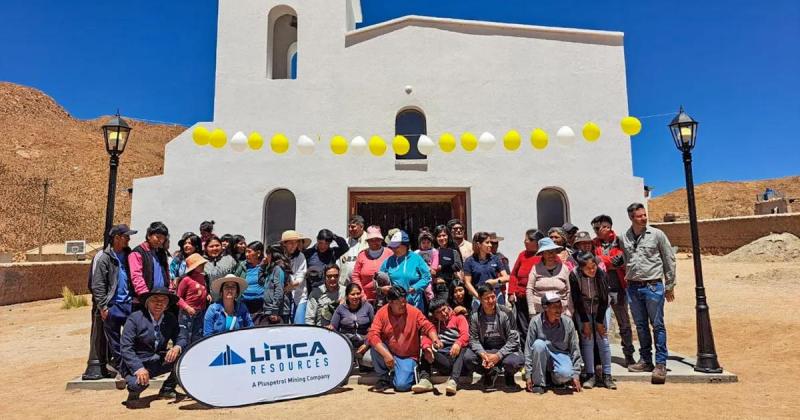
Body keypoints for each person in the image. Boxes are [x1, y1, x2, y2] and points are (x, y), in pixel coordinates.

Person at [617, 203, 676, 384]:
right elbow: (625, 260)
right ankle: (645, 360)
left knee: (657, 324)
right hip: (634, 287)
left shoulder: (657, 234)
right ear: (631, 218)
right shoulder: (624, 237)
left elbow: (669, 259)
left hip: (653, 286)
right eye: (639, 216)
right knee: (641, 326)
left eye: (644, 215)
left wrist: (670, 285)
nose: (644, 218)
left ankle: (660, 363)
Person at [366, 286, 442, 392]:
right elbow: (372, 335)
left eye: (404, 301)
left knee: (402, 386)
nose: (403, 304)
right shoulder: (381, 313)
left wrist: (435, 339)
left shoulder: (414, 311)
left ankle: (398, 375)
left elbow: (427, 326)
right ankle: (384, 377)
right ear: (390, 302)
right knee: (373, 350)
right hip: (389, 351)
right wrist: (386, 355)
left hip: (408, 356)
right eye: (399, 302)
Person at [120, 287, 187, 405]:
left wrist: (177, 347)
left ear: (167, 305)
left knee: (184, 357)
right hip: (137, 363)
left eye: (163, 300)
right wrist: (138, 368)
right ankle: (133, 391)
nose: (159, 303)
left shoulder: (170, 318)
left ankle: (167, 389)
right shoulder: (135, 318)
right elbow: (126, 347)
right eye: (155, 299)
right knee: (138, 384)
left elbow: (181, 337)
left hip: (157, 361)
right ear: (147, 303)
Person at [89, 224, 136, 378]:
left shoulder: (130, 256)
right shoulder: (104, 258)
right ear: (117, 238)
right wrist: (103, 307)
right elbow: (98, 284)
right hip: (113, 305)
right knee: (115, 341)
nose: (129, 239)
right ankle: (123, 369)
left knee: (133, 337)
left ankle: (131, 366)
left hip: (129, 304)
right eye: (126, 236)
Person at [591, 214, 636, 367]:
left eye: (598, 228)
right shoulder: (593, 244)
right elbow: (594, 261)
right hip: (599, 288)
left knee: (623, 322)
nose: (596, 231)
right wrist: (609, 261)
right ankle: (599, 356)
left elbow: (628, 258)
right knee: (598, 322)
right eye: (594, 228)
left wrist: (607, 261)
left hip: (617, 287)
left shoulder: (620, 241)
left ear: (607, 227)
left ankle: (629, 354)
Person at [569, 252, 616, 390]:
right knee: (587, 339)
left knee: (603, 339)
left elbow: (603, 299)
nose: (592, 270)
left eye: (594, 266)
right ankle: (590, 374)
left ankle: (607, 375)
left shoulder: (601, 274)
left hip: (600, 307)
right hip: (583, 308)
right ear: (581, 268)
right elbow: (577, 300)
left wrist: (600, 323)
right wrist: (586, 322)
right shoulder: (574, 275)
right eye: (588, 268)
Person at [465, 285, 524, 389]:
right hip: (486, 350)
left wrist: (498, 356)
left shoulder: (506, 312)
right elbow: (473, 340)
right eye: (487, 298)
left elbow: (514, 340)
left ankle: (509, 375)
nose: (491, 300)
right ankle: (489, 373)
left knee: (514, 362)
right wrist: (483, 354)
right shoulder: (475, 316)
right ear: (480, 299)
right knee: (468, 358)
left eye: (493, 297)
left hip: (506, 350)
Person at [524, 291, 583, 394]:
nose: (559, 309)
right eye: (555, 306)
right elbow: (528, 349)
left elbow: (575, 349)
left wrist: (576, 375)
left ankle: (554, 380)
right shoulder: (535, 322)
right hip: (542, 354)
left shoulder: (568, 323)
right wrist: (528, 375)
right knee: (538, 344)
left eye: (560, 306)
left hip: (560, 355)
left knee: (566, 374)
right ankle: (539, 383)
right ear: (545, 308)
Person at [413, 298, 469, 395]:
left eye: (444, 309)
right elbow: (426, 337)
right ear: (434, 315)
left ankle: (453, 381)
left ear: (448, 307)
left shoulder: (459, 318)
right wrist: (427, 347)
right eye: (439, 312)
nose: (443, 313)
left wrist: (458, 343)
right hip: (444, 359)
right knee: (426, 350)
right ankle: (425, 380)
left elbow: (465, 335)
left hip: (458, 358)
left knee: (464, 347)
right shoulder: (433, 323)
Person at [379, 230, 431, 312]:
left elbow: (427, 277)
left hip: (414, 305)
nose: (393, 249)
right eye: (392, 247)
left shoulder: (416, 259)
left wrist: (416, 287)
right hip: (395, 306)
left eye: (397, 247)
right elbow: (378, 279)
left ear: (405, 245)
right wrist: (382, 289)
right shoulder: (388, 261)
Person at [508, 229, 544, 339]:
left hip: (537, 298)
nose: (525, 241)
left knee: (537, 325)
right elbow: (513, 274)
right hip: (521, 297)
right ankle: (525, 351)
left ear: (537, 242)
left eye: (529, 239)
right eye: (525, 239)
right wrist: (511, 292)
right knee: (523, 327)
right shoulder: (522, 255)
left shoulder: (544, 255)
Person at [330, 283, 375, 370]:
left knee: (370, 361)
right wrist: (330, 327)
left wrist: (366, 344)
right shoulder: (340, 308)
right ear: (347, 296)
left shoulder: (368, 306)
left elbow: (374, 328)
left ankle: (361, 360)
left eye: (358, 293)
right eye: (352, 294)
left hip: (364, 344)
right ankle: (350, 359)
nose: (356, 296)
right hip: (346, 345)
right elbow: (333, 327)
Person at [463, 232, 510, 311]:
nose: (490, 245)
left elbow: (507, 277)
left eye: (490, 243)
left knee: (499, 321)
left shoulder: (495, 259)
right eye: (487, 243)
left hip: (495, 295)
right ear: (479, 244)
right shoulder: (469, 261)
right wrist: (478, 296)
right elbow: (467, 283)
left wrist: (494, 281)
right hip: (479, 297)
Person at [527, 237, 573, 318]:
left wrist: (570, 310)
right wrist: (531, 310)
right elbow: (529, 289)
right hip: (540, 311)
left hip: (561, 310)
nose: (551, 254)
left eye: (553, 251)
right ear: (542, 254)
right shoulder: (535, 268)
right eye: (547, 252)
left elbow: (569, 290)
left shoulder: (564, 268)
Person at [129, 222, 170, 307]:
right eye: (157, 237)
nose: (160, 240)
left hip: (160, 298)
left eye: (163, 238)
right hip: (143, 300)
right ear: (148, 236)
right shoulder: (137, 252)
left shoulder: (161, 253)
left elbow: (166, 273)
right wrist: (145, 297)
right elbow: (136, 276)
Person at [351, 226, 393, 304]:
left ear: (381, 240)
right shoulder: (362, 255)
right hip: (366, 299)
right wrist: (361, 294)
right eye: (371, 240)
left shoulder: (389, 253)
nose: (374, 242)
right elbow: (355, 276)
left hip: (387, 299)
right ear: (367, 241)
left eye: (377, 239)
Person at [175, 253, 209, 344]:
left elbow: (203, 288)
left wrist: (207, 295)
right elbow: (178, 298)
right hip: (187, 312)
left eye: (203, 265)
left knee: (197, 334)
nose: (202, 266)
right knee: (185, 333)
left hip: (200, 311)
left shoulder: (202, 277)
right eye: (200, 265)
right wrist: (187, 308)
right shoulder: (186, 280)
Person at [279, 230, 310, 324]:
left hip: (299, 296)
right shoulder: (279, 257)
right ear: (284, 244)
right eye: (291, 243)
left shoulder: (301, 256)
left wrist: (290, 286)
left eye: (296, 243)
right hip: (282, 297)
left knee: (299, 323)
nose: (294, 245)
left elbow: (301, 276)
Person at [259, 243, 293, 325]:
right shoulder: (271, 269)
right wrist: (262, 266)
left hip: (278, 312)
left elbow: (279, 290)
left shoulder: (278, 269)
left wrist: (275, 311)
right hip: (270, 310)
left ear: (274, 255)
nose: (266, 257)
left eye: (268, 254)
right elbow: (261, 282)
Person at [432, 224, 464, 301]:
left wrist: (442, 267)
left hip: (452, 286)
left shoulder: (454, 251)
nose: (442, 238)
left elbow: (458, 265)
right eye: (439, 236)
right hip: (438, 287)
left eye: (444, 235)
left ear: (448, 236)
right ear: (435, 238)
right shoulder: (433, 252)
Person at [234, 241, 266, 315]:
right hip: (243, 303)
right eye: (246, 252)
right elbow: (235, 281)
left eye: (249, 252)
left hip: (261, 305)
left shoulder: (265, 266)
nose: (246, 254)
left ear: (258, 253)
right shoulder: (242, 266)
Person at [203, 235, 238, 300]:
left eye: (217, 245)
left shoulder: (230, 260)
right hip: (210, 300)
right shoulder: (202, 262)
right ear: (206, 248)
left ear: (221, 247)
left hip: (229, 298)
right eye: (211, 246)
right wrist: (206, 293)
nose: (214, 248)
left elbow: (237, 277)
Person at [338, 215, 368, 287]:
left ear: (361, 227)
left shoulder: (368, 242)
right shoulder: (345, 242)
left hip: (362, 284)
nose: (350, 229)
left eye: (353, 227)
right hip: (345, 285)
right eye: (349, 227)